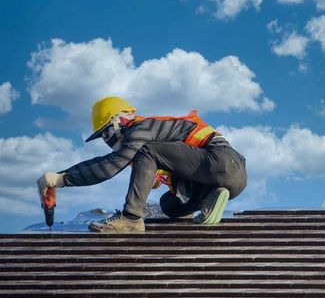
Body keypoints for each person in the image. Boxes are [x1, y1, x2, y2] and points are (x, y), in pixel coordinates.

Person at [37, 96, 247, 233]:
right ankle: (209, 198)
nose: (107, 140)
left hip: (222, 161)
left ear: (118, 122)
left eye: (105, 133)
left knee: (148, 150)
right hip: (227, 178)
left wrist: (62, 180)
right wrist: (60, 175)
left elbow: (110, 166)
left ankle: (131, 219)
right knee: (169, 205)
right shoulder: (150, 136)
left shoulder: (141, 129)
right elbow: (103, 162)